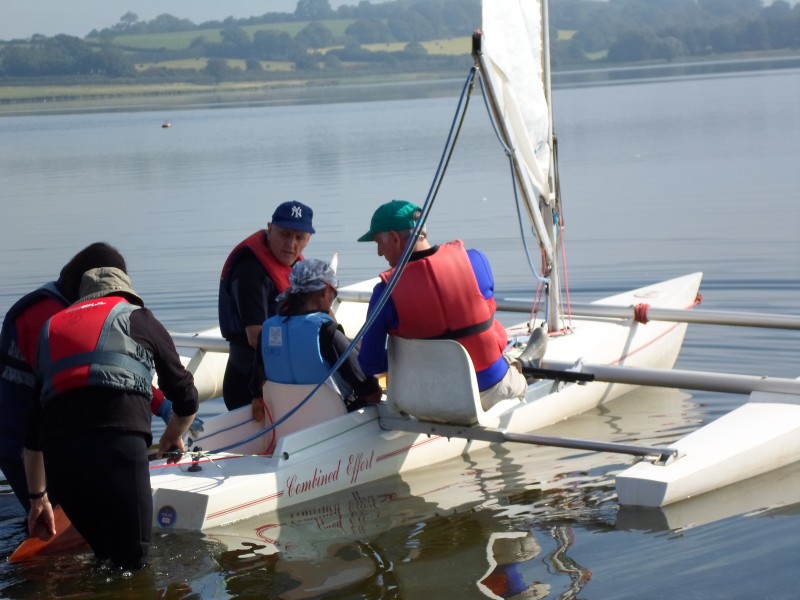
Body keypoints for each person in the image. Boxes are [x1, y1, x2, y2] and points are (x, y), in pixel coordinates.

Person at [24, 263, 199, 570]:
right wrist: (173, 434)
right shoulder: (138, 317)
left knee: (103, 556)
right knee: (133, 562)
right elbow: (185, 394)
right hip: (118, 443)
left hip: (60, 457)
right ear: (126, 294)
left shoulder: (51, 329)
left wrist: (38, 498)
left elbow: (31, 430)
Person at [0, 242, 132, 515]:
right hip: (22, 443)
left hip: (42, 436)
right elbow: (79, 383)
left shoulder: (65, 305)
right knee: (55, 520)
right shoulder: (48, 317)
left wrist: (160, 405)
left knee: (69, 520)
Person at [356, 200, 527, 411]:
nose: (379, 252)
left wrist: (408, 355)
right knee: (509, 361)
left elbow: (370, 364)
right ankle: (522, 363)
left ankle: (521, 360)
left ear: (393, 238)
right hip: (491, 391)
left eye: (378, 243)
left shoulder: (384, 293)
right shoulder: (475, 261)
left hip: (425, 401)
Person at [252, 258, 382, 419]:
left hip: (284, 423)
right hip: (331, 425)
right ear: (325, 290)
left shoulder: (267, 331)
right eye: (334, 294)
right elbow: (370, 392)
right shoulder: (327, 332)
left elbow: (256, 385)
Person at [218, 201, 315, 413]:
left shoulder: (297, 268)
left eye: (299, 238)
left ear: (308, 239)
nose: (291, 244)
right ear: (270, 229)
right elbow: (256, 337)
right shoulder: (251, 272)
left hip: (281, 377)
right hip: (248, 379)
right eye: (285, 234)